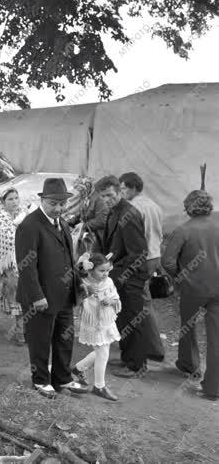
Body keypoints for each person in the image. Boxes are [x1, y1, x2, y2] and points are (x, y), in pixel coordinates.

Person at [15, 178, 87, 398]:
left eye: (62, 204)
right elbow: (26, 267)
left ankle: (62, 377)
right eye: (53, 203)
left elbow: (67, 257)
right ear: (42, 200)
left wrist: (78, 283)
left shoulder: (62, 223)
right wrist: (37, 296)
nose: (58, 208)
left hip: (64, 294)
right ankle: (40, 381)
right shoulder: (29, 226)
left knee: (64, 338)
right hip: (41, 297)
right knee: (40, 339)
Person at [162, 190, 219, 401]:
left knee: (188, 325)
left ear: (188, 207)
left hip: (192, 288)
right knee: (216, 338)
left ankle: (190, 365)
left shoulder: (183, 230)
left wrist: (180, 277)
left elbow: (167, 261)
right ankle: (213, 388)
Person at [97, 175, 149, 378]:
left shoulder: (129, 214)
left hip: (130, 279)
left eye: (110, 195)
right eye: (103, 196)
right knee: (122, 320)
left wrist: (118, 275)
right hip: (119, 276)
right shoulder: (114, 211)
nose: (106, 199)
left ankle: (137, 365)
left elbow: (139, 253)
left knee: (133, 321)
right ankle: (128, 358)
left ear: (120, 192)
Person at [119, 171, 166, 363]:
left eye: (122, 189)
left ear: (132, 188)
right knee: (145, 302)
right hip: (154, 256)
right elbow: (159, 233)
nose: (121, 193)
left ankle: (152, 349)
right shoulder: (154, 205)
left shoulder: (132, 207)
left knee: (139, 304)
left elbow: (135, 239)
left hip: (142, 258)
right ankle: (151, 347)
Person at [71, 252, 122, 401]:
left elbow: (116, 298)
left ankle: (78, 368)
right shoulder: (84, 283)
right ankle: (99, 386)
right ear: (90, 269)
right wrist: (86, 293)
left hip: (106, 321)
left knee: (103, 349)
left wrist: (111, 301)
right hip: (93, 322)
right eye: (101, 271)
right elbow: (77, 302)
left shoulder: (109, 282)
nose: (105, 274)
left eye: (107, 270)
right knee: (103, 353)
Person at [0, 188, 28, 345]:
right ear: (3, 202)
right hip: (11, 266)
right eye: (10, 199)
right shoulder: (1, 218)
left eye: (16, 198)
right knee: (17, 299)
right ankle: (20, 332)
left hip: (28, 262)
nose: (14, 202)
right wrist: (20, 224)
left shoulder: (24, 213)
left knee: (30, 297)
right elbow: (11, 239)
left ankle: (28, 330)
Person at [65, 176, 108, 254]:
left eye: (81, 189)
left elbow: (102, 220)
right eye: (79, 190)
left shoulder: (100, 199)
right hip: (88, 233)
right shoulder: (87, 196)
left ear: (88, 186)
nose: (80, 192)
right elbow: (81, 214)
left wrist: (83, 225)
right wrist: (69, 222)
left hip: (96, 238)